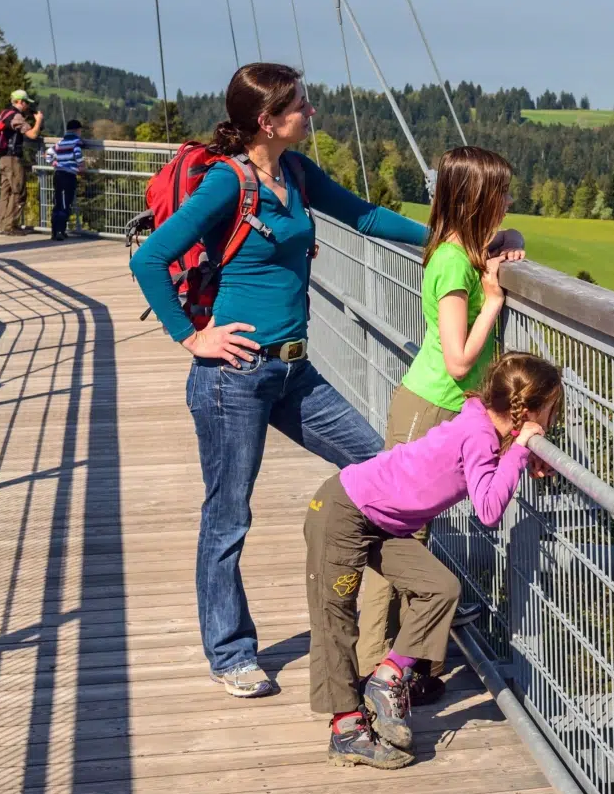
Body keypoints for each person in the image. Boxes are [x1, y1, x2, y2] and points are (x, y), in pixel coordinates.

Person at [129, 62, 428, 698]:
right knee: (229, 515)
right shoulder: (224, 183)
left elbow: (366, 218)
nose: (310, 113)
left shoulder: (292, 173)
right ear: (267, 121)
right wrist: (193, 336)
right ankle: (230, 650)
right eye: (301, 106)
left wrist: (455, 242)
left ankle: (417, 603)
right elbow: (149, 257)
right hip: (232, 378)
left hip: (295, 372)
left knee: (380, 467)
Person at [306, 352, 563, 767]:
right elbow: (488, 510)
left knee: (440, 588)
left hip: (381, 522)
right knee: (335, 618)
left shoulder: (479, 422)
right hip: (343, 512)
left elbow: (482, 465)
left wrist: (520, 451)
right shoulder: (480, 435)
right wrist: (517, 452)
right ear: (531, 410)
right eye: (551, 410)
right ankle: (347, 729)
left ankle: (388, 677)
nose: (552, 420)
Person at [356, 146, 521, 694]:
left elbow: (499, 245)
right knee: (395, 536)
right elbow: (456, 359)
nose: (507, 201)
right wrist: (494, 300)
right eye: (499, 192)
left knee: (417, 541)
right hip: (429, 406)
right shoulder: (452, 263)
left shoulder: (466, 253)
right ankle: (372, 660)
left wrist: (510, 243)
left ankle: (416, 664)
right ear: (476, 198)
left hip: (451, 410)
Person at [0, 90, 43, 235]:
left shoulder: (3, 114)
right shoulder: (16, 117)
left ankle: (3, 224)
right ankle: (10, 226)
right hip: (13, 158)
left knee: (6, 192)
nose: (27, 106)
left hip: (3, 157)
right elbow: (33, 134)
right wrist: (39, 120)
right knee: (19, 192)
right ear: (20, 102)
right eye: (26, 103)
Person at [47, 118, 85, 240]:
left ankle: (55, 230)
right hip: (68, 176)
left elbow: (48, 154)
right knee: (64, 204)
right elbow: (78, 154)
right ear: (77, 130)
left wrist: (54, 162)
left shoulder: (60, 143)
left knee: (58, 202)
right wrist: (81, 166)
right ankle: (59, 231)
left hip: (58, 174)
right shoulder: (76, 142)